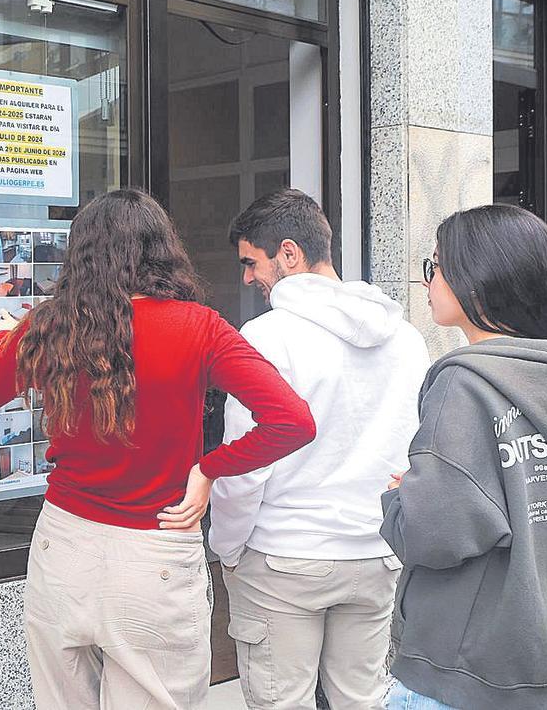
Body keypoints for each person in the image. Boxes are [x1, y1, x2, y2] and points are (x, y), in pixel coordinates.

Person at [0, 189, 318, 710]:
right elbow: (293, 421)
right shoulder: (200, 327)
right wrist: (211, 469)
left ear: (81, 255)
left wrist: (6, 337)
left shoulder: (51, 326)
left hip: (63, 547)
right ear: (162, 250)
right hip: (155, 554)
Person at [207, 189, 430, 709]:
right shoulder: (404, 337)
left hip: (285, 555)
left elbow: (245, 464)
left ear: (289, 253)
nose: (246, 279)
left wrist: (228, 547)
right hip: (376, 551)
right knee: (362, 700)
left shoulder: (266, 337)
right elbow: (419, 445)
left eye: (250, 263)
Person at [381, 204, 547, 710]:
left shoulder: (466, 382)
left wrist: (398, 499)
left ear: (477, 281)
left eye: (434, 266)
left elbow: (432, 533)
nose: (428, 280)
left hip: (465, 668)